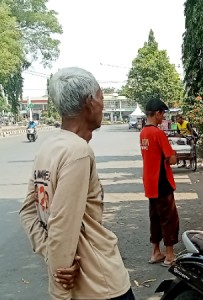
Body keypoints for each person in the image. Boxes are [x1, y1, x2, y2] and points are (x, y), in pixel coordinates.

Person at [19, 67, 134, 299]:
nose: (103, 104)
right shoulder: (78, 152)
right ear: (90, 102)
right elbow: (61, 222)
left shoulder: (48, 148)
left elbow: (29, 212)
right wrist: (60, 284)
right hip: (100, 284)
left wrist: (50, 255)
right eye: (101, 97)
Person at [140, 99, 179, 267]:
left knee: (155, 218)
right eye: (162, 114)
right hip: (161, 181)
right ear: (157, 113)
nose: (163, 118)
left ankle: (155, 252)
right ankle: (170, 255)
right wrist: (174, 155)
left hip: (149, 182)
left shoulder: (143, 133)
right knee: (169, 218)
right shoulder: (158, 133)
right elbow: (171, 159)